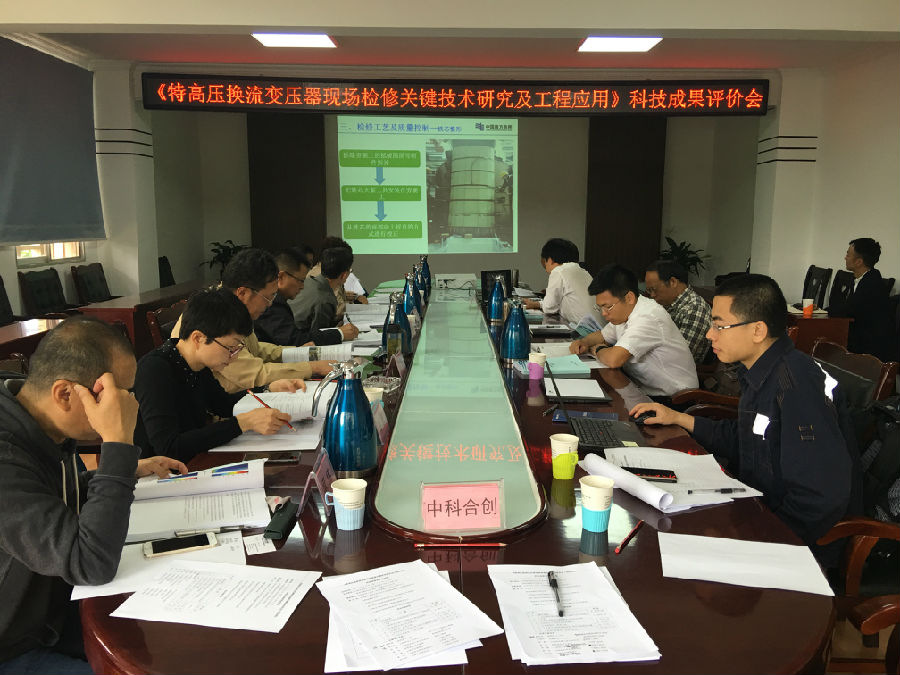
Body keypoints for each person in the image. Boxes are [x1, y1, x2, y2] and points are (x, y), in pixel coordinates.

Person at [0, 317, 186, 673]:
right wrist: (117, 445)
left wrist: (122, 471)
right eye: (118, 394)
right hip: (14, 642)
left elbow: (47, 497)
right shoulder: (6, 457)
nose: (129, 406)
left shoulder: (35, 416)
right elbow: (90, 563)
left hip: (54, 605)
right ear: (65, 394)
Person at [630, 274, 853, 564]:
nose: (710, 335)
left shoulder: (796, 385)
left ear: (758, 330)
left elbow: (819, 496)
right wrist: (678, 418)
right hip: (755, 509)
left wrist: (756, 542)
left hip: (790, 539)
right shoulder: (759, 371)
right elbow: (747, 438)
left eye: (719, 325)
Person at [136, 288, 301, 462]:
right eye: (230, 348)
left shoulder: (197, 363)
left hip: (195, 460)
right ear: (198, 338)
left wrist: (268, 389)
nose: (234, 357)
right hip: (161, 471)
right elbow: (169, 448)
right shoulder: (154, 370)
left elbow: (223, 404)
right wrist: (243, 423)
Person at [172, 248, 333, 393]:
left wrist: (293, 352)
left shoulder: (234, 308)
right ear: (243, 293)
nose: (270, 304)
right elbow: (255, 374)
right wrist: (313, 367)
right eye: (268, 297)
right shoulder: (214, 314)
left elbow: (254, 349)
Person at [569, 264, 698, 399]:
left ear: (629, 298)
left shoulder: (648, 316)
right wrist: (584, 342)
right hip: (641, 388)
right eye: (600, 307)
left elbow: (614, 360)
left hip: (674, 398)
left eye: (607, 307)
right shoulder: (625, 311)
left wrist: (598, 349)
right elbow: (602, 336)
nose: (604, 313)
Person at [255, 248, 359, 347]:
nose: (302, 286)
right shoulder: (270, 302)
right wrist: (340, 333)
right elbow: (294, 340)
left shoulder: (279, 299)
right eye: (300, 280)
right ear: (281, 277)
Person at [828, 237, 897, 361]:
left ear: (859, 262)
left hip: (871, 349)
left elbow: (849, 310)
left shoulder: (872, 284)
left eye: (848, 254)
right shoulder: (863, 278)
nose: (845, 258)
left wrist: (824, 311)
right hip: (859, 336)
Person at [644, 259, 712, 364]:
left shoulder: (694, 308)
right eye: (649, 291)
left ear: (673, 282)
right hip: (657, 361)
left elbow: (680, 357)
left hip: (677, 369)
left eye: (654, 289)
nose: (652, 295)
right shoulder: (666, 303)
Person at [523, 238, 598, 325]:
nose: (546, 269)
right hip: (599, 328)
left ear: (550, 260)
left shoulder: (558, 271)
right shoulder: (583, 271)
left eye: (545, 263)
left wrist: (538, 304)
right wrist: (537, 304)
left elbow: (549, 308)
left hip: (584, 329)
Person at [292, 246, 355, 336]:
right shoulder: (325, 299)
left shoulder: (308, 281)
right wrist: (340, 332)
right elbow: (320, 337)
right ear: (344, 275)